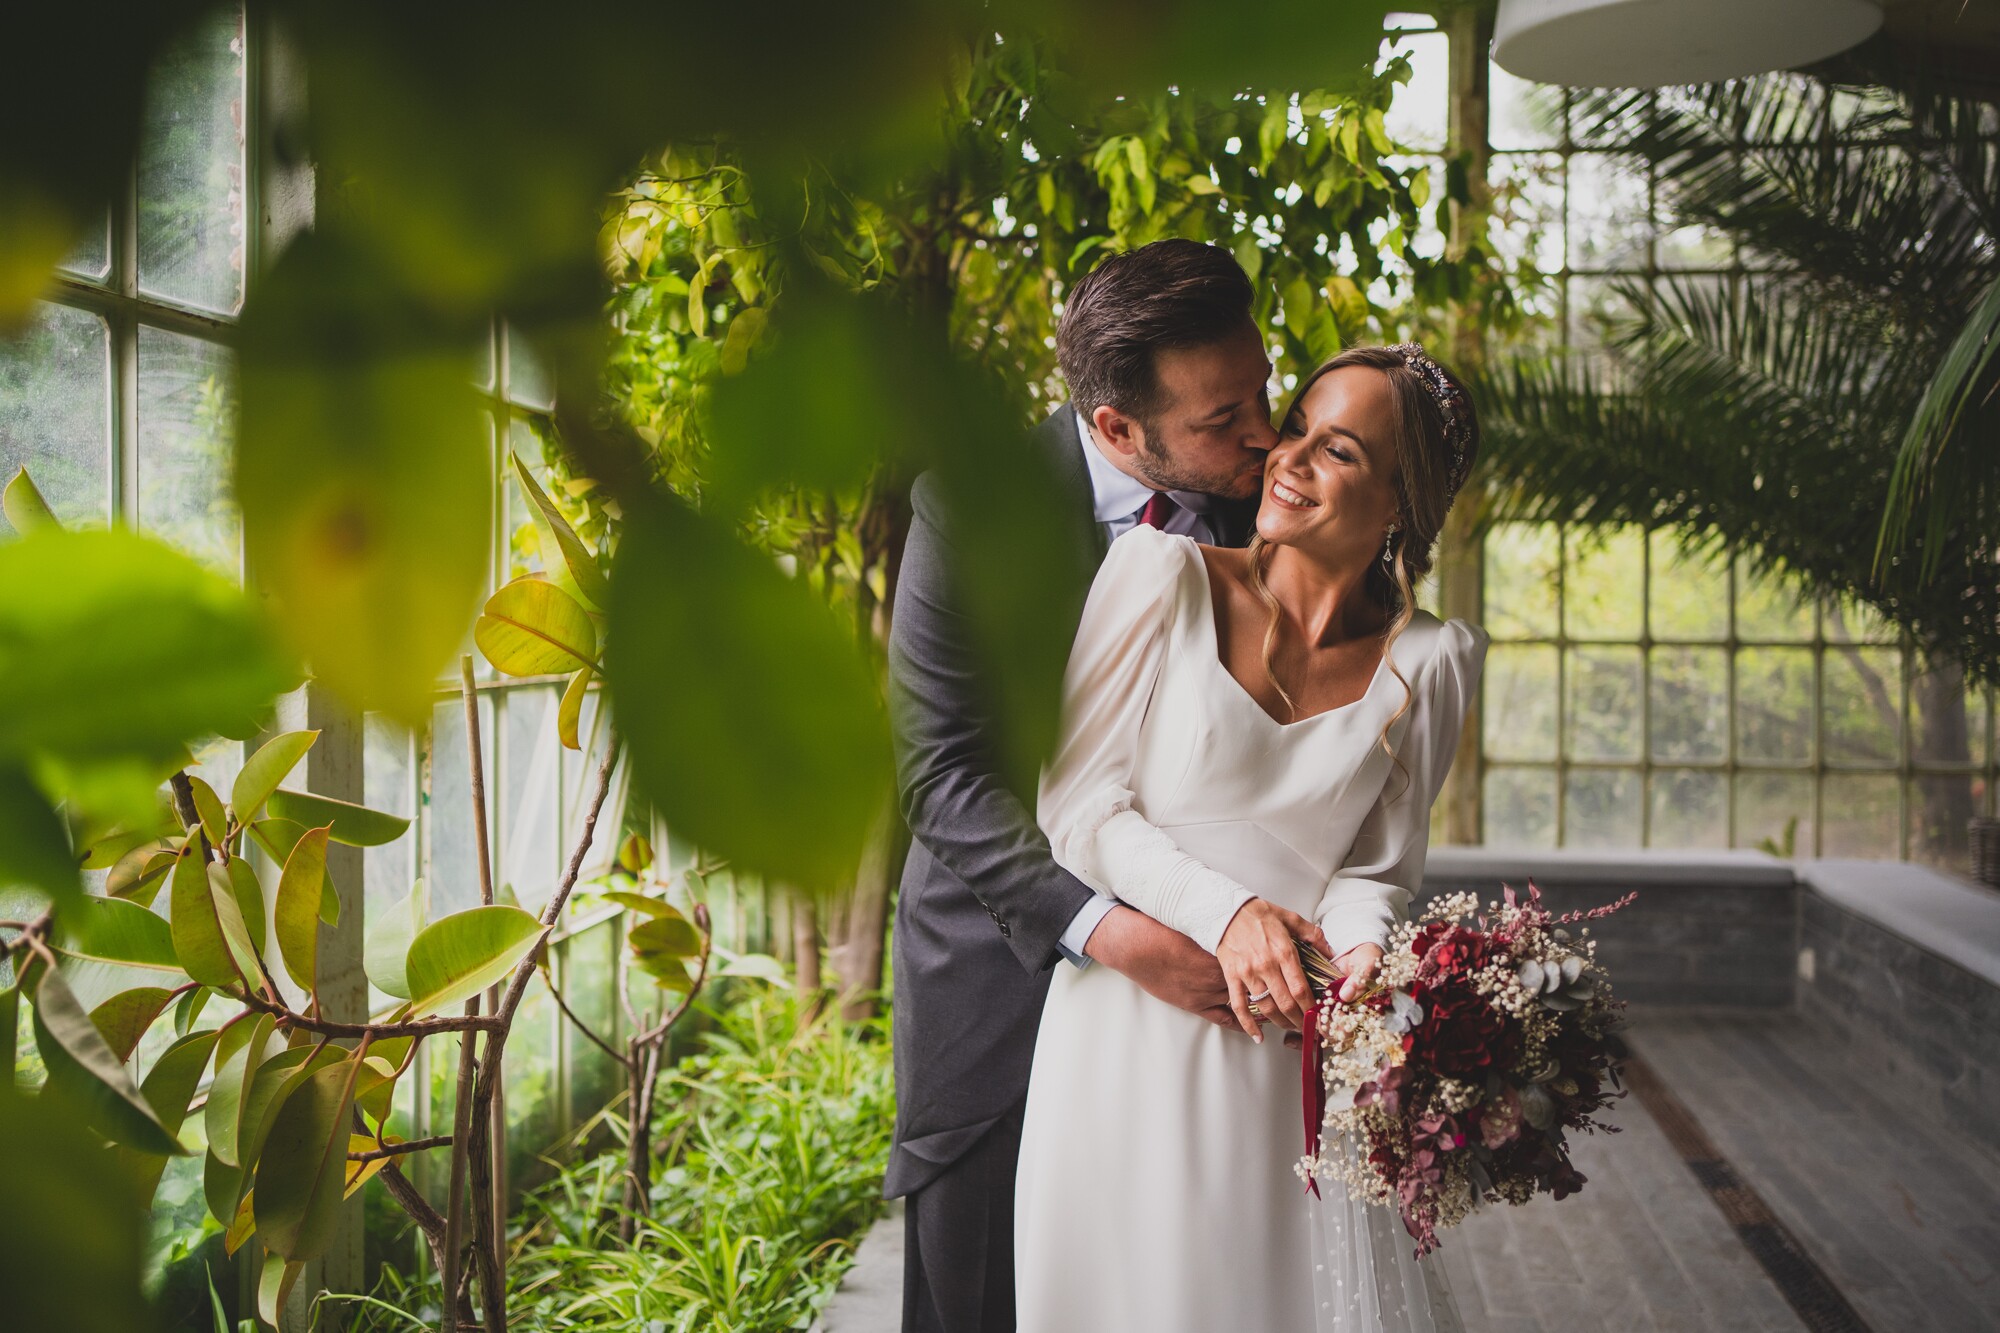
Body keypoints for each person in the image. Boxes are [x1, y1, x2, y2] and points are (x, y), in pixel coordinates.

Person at [1016, 344, 1488, 1333]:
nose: (1289, 457)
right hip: (1123, 1035)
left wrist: (1361, 955)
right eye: (1298, 426)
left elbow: (1374, 867)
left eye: (1341, 451)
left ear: (1402, 500)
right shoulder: (1157, 576)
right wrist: (1227, 915)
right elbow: (1076, 806)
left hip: (1284, 1062)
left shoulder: (1431, 660)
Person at [885, 239, 1278, 1333]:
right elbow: (941, 774)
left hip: (1217, 1007)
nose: (1261, 432)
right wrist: (1109, 931)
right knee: (981, 1294)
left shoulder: (1280, 504)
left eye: (1262, 390)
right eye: (1219, 419)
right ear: (1114, 427)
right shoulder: (966, 510)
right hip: (997, 968)